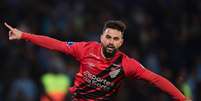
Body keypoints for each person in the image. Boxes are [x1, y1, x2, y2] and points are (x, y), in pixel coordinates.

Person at [4, 20, 190, 101]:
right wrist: (23, 35)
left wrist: (181, 98)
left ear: (121, 42)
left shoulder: (127, 64)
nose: (111, 42)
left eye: (116, 39)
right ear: (101, 37)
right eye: (108, 37)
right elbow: (56, 44)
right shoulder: (85, 49)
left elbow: (155, 79)